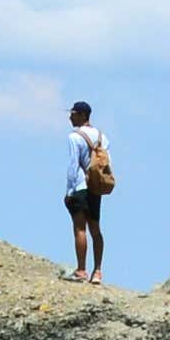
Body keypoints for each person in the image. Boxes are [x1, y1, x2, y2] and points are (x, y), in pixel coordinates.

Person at [61, 100, 110, 284]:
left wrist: (69, 191)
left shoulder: (74, 137)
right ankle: (97, 272)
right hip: (95, 187)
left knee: (80, 228)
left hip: (80, 186)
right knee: (96, 229)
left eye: (73, 113)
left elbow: (73, 165)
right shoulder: (102, 137)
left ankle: (81, 270)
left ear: (82, 115)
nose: (70, 117)